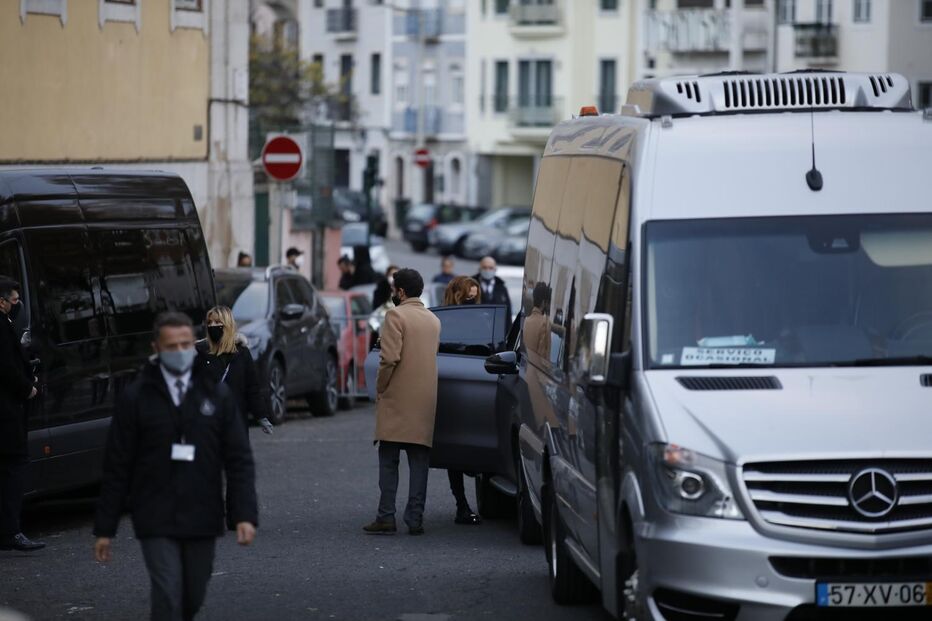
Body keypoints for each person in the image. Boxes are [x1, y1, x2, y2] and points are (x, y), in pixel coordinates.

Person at [94, 312, 258, 621]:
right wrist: (106, 527)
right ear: (156, 346)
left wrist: (245, 515)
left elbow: (238, 458)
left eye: (186, 344)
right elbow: (117, 464)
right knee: (168, 592)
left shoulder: (214, 394)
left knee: (192, 596)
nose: (181, 351)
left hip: (202, 513)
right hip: (154, 512)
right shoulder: (136, 397)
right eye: (172, 345)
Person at [363, 269, 440, 536]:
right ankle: (415, 519)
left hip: (397, 398)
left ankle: (386, 516)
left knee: (388, 460)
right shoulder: (432, 319)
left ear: (402, 292)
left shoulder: (395, 315)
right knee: (419, 462)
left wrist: (380, 386)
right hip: (425, 400)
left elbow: (390, 358)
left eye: (396, 290)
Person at [0, 278, 43, 552]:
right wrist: (27, 388)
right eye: (15, 300)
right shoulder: (1, 326)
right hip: (6, 410)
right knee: (14, 467)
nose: (17, 305)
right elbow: (6, 366)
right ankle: (10, 531)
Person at [441, 277, 483, 525]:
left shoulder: (482, 318)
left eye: (475, 296)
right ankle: (462, 504)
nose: (472, 299)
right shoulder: (445, 320)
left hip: (477, 384)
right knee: (455, 451)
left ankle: (467, 504)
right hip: (456, 386)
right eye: (468, 295)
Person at [197, 306, 274, 436]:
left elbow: (252, 387)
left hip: (236, 420)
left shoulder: (242, 353)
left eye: (217, 322)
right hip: (208, 422)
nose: (212, 326)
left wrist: (261, 416)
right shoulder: (201, 352)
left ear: (227, 325)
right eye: (209, 323)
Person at [473, 256, 512, 323]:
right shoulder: (471, 285)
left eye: (490, 268)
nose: (487, 270)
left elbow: (508, 312)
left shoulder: (502, 288)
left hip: (496, 328)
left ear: (495, 269)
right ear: (480, 269)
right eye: (484, 267)